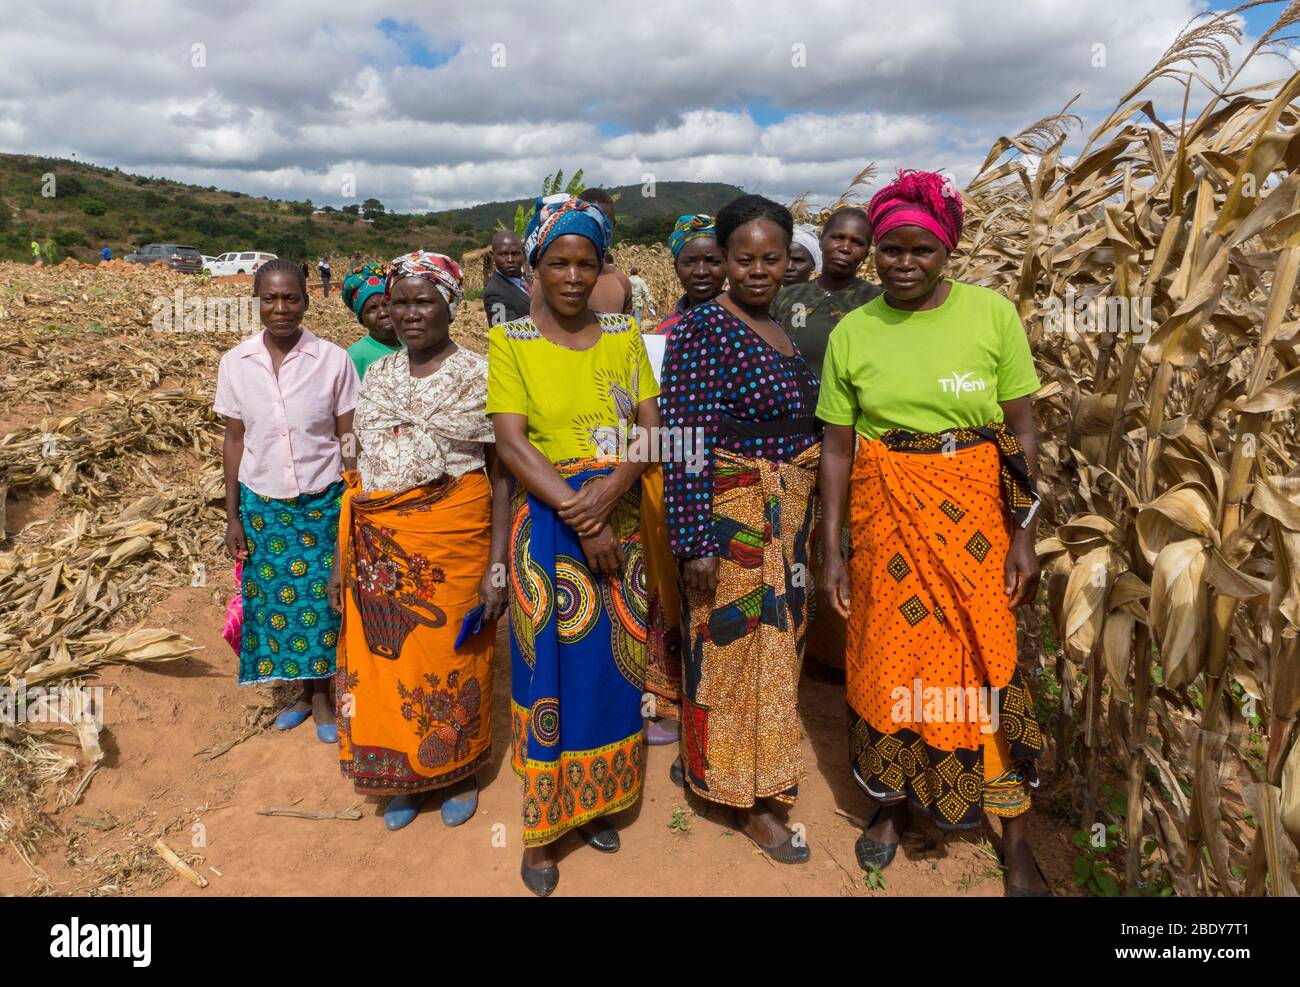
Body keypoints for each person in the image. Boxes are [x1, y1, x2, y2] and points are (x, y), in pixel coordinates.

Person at [815, 169, 1049, 896]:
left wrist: (1025, 532)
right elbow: (835, 447)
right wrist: (833, 545)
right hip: (886, 514)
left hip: (977, 509)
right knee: (892, 659)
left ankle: (1014, 835)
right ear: (874, 253)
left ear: (948, 248)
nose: (904, 263)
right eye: (890, 250)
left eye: (921, 249)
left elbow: (1022, 429)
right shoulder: (853, 330)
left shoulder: (991, 316)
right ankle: (893, 805)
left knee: (987, 658)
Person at [488, 195, 659, 896]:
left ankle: (594, 803)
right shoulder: (511, 342)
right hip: (552, 527)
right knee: (547, 677)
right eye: (557, 260)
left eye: (585, 262)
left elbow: (649, 430)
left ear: (601, 269)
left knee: (610, 670)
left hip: (618, 519)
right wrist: (582, 515)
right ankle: (542, 830)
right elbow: (511, 442)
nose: (571, 274)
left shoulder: (623, 333)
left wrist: (610, 496)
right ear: (535, 266)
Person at [660, 194, 821, 864]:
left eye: (771, 257)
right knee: (728, 651)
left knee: (776, 653)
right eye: (744, 257)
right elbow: (684, 439)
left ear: (789, 260)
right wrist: (695, 539)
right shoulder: (704, 329)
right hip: (731, 516)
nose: (758, 269)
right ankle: (739, 796)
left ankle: (742, 765)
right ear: (723, 260)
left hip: (788, 515)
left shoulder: (780, 327)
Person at [330, 251, 510, 832]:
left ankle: (457, 771)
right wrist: (345, 554)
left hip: (454, 540)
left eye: (424, 301)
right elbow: (358, 459)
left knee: (454, 654)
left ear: (451, 306)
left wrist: (497, 564)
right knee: (389, 661)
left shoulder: (481, 372)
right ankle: (403, 775)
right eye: (400, 302)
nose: (410, 313)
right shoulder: (378, 372)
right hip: (381, 542)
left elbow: (502, 473)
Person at [214, 258, 358, 742]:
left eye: (291, 298)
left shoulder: (332, 360)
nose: (281, 309)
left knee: (325, 599)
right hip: (264, 503)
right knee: (279, 598)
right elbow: (235, 440)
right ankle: (301, 690)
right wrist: (232, 514)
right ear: (256, 300)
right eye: (271, 298)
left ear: (305, 300)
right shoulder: (236, 363)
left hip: (324, 499)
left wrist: (356, 489)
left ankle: (323, 695)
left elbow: (348, 435)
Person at [641, 214, 726, 752]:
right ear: (674, 266)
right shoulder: (659, 336)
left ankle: (717, 700)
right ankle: (669, 696)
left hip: (735, 477)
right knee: (671, 587)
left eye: (711, 259)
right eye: (689, 260)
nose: (701, 270)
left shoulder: (749, 325)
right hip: (673, 473)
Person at [772, 208, 880, 379]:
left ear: (866, 253)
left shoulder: (877, 301)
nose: (845, 247)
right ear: (822, 240)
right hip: (793, 401)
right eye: (838, 237)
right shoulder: (786, 297)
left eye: (857, 242)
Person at [341, 260, 400, 379]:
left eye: (386, 304)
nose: (383, 313)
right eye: (372, 309)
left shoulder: (408, 344)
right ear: (362, 320)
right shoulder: (356, 356)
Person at [578, 187, 632, 314]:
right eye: (591, 222)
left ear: (613, 227)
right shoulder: (549, 280)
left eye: (605, 224)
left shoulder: (621, 281)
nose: (598, 230)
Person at [482, 230, 531, 326]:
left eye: (515, 253)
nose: (510, 260)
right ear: (493, 256)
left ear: (523, 254)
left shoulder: (526, 281)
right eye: (503, 254)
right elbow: (506, 335)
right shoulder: (494, 294)